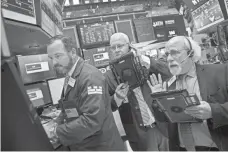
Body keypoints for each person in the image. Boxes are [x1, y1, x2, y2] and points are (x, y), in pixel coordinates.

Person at [147, 36, 228, 151]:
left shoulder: (219, 72)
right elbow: (163, 119)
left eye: (174, 53)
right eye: (167, 54)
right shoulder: (167, 85)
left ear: (191, 53)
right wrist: (157, 101)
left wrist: (213, 111)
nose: (169, 58)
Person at [47, 35, 125, 151]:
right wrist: (56, 123)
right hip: (83, 144)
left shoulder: (90, 77)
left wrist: (56, 132)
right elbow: (68, 106)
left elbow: (91, 120)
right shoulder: (71, 75)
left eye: (58, 56)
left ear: (72, 52)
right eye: (51, 58)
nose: (54, 62)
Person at [105, 32, 171, 151]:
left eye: (120, 46)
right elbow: (106, 105)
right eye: (113, 47)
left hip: (162, 125)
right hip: (139, 134)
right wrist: (117, 98)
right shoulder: (110, 76)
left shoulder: (144, 63)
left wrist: (145, 60)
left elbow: (169, 72)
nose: (116, 50)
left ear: (129, 46)